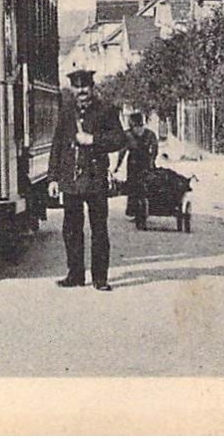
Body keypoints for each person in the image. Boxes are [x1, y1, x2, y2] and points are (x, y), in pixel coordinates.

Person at [47, 69, 127, 290]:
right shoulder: (66, 112)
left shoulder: (106, 110)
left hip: (95, 180)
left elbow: (119, 139)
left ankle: (100, 278)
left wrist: (93, 140)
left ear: (92, 88)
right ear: (72, 90)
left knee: (99, 230)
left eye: (85, 87)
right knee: (71, 229)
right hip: (71, 180)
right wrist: (53, 178)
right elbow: (57, 145)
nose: (81, 91)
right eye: (77, 87)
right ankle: (75, 275)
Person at [115, 111, 160, 229]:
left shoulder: (128, 134)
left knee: (133, 186)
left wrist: (117, 166)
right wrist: (152, 160)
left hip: (133, 162)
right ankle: (146, 209)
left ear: (131, 122)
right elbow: (155, 149)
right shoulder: (150, 134)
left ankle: (135, 211)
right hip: (146, 161)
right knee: (147, 185)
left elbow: (122, 152)